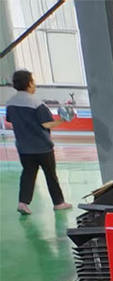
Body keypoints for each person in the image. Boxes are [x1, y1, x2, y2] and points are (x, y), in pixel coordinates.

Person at [6, 69, 71, 215]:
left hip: (24, 148)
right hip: (43, 147)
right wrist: (63, 120)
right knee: (50, 175)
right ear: (29, 84)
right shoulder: (36, 103)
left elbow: (10, 119)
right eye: (33, 81)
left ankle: (23, 203)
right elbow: (46, 123)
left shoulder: (10, 103)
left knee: (28, 174)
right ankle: (59, 203)